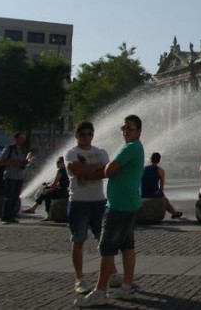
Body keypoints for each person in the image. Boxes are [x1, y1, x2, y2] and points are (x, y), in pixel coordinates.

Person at [75, 114, 145, 307]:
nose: (126, 132)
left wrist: (109, 169)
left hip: (119, 206)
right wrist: (112, 169)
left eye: (130, 128)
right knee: (127, 246)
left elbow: (108, 170)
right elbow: (112, 169)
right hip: (130, 203)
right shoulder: (136, 148)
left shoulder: (130, 148)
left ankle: (100, 292)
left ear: (139, 131)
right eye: (123, 128)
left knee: (107, 250)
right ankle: (127, 286)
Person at [64, 121, 118, 295]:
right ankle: (79, 279)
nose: (86, 136)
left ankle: (113, 274)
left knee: (104, 240)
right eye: (83, 134)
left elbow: (107, 172)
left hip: (99, 201)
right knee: (78, 240)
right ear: (77, 136)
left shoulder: (100, 151)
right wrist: (96, 168)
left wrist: (88, 171)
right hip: (78, 201)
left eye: (89, 133)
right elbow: (78, 171)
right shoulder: (71, 152)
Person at [140, 152, 182, 219]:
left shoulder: (143, 169)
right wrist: (163, 196)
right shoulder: (161, 171)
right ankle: (175, 213)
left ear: (150, 159)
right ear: (159, 160)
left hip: (141, 193)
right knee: (165, 199)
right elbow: (161, 188)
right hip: (152, 193)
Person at [0, 132, 28, 224]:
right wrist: (14, 163)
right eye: (20, 138)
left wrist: (24, 164)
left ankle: (12, 216)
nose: (22, 140)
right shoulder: (9, 149)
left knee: (15, 197)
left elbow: (22, 161)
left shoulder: (23, 149)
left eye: (23, 138)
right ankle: (5, 217)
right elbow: (1, 161)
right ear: (15, 139)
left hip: (19, 176)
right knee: (9, 197)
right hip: (10, 175)